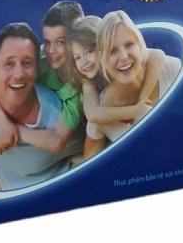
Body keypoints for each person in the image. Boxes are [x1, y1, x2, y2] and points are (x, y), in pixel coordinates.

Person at [0, 23, 84, 190]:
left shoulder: (57, 119)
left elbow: (63, 141)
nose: (18, 74)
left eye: (26, 63)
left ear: (36, 69)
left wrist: (15, 131)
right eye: (9, 64)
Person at [0, 1, 84, 156]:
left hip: (72, 133)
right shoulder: (41, 58)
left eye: (60, 42)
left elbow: (57, 140)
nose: (51, 50)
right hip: (38, 116)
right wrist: (4, 124)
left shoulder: (81, 85)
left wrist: (15, 130)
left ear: (77, 40)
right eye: (47, 42)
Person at [66, 15, 170, 158]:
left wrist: (143, 99)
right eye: (77, 57)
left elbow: (157, 55)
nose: (84, 62)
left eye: (88, 52)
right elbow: (93, 114)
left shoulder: (129, 66)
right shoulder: (88, 81)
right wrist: (135, 111)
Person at [94, 10, 182, 142]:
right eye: (113, 51)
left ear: (140, 45)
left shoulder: (172, 70)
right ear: (102, 58)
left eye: (129, 44)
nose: (124, 56)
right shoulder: (102, 111)